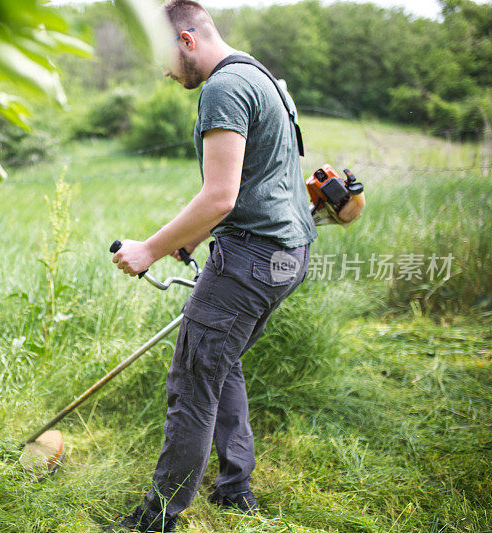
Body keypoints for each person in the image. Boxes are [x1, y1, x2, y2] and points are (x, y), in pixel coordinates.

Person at [107, 1, 317, 531]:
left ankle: (155, 520)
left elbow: (220, 196)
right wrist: (190, 239)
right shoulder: (264, 77)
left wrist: (149, 249)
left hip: (248, 258)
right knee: (220, 363)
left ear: (186, 39)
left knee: (193, 381)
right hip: (287, 256)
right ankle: (235, 489)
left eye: (163, 57)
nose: (163, 71)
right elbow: (260, 183)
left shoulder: (223, 89)